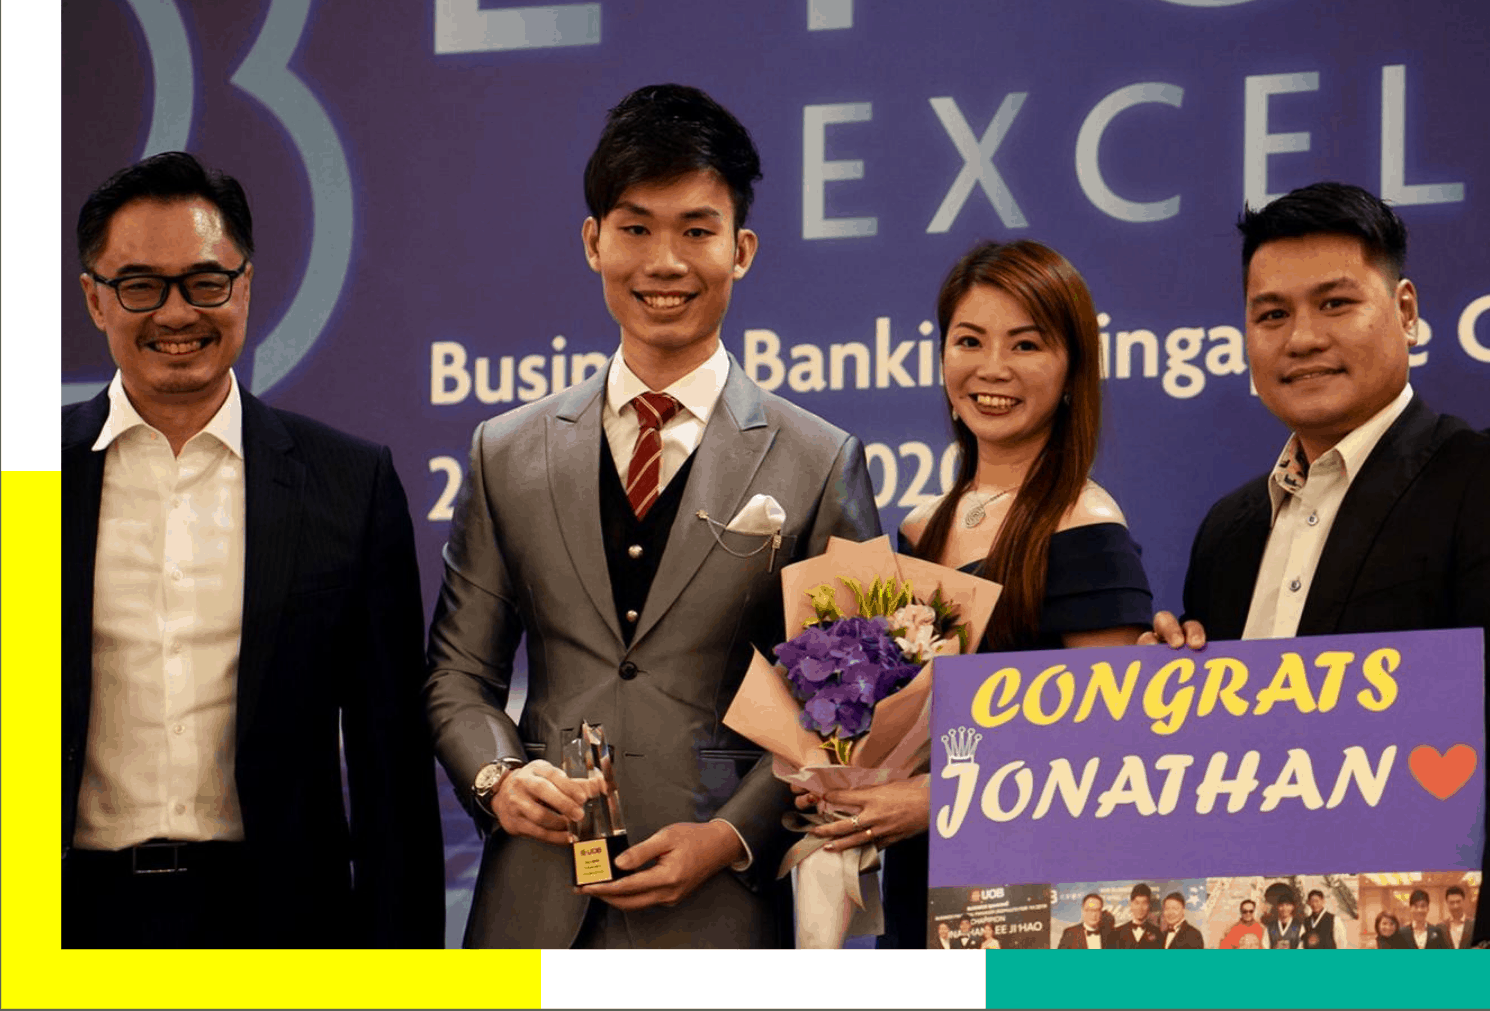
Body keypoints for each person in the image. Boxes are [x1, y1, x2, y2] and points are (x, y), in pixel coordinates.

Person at [424, 83, 881, 949]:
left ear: (741, 250)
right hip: (531, 906)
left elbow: (850, 703)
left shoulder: (821, 460)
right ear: (593, 241)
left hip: (722, 912)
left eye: (696, 231)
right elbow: (456, 674)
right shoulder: (506, 451)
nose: (664, 263)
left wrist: (733, 835)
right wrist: (499, 778)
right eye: (635, 229)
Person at [1145, 182, 1490, 949]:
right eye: (1271, 315)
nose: (1302, 338)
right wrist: (1155, 701)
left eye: (1334, 304)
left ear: (1406, 310)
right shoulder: (1227, 531)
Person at [61, 152, 444, 948]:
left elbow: (391, 768)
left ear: (245, 285)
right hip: (65, 922)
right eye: (140, 286)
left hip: (279, 923)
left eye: (205, 282)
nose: (176, 313)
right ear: (95, 299)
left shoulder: (349, 483)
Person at [799, 240, 1154, 947]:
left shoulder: (1088, 527)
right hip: (921, 884)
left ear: (1072, 369)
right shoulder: (920, 526)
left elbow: (1107, 751)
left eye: (1026, 344)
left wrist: (933, 800)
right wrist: (843, 771)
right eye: (969, 341)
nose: (992, 368)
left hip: (1032, 903)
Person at [1111, 882, 1163, 949]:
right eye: (1137, 903)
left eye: (1144, 903)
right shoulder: (1117, 933)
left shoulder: (1158, 934)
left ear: (1149, 905)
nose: (1140, 908)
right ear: (1131, 905)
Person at [1443, 885, 1476, 951]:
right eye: (1452, 903)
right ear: (1447, 903)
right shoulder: (1441, 927)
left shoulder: (1474, 925)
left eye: (1458, 902)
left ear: (1464, 901)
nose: (1455, 906)